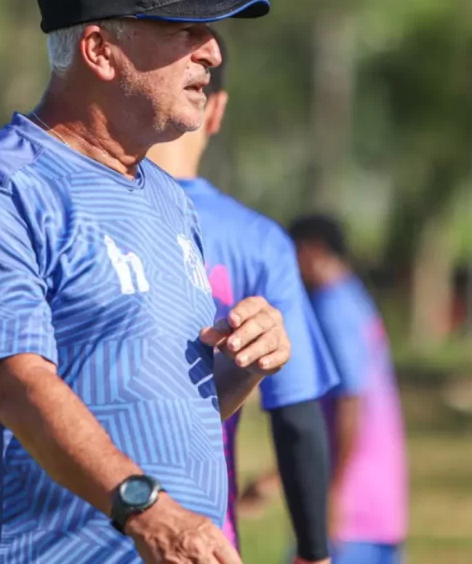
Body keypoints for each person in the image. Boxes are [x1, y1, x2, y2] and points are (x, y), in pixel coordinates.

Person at [0, 0, 289, 564]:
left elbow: (164, 405)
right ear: (99, 49)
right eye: (183, 31)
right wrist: (149, 513)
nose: (210, 52)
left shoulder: (167, 197)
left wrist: (244, 365)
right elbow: (18, 389)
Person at [147, 30, 339, 564]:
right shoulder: (258, 241)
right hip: (206, 540)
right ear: (217, 108)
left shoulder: (84, 208)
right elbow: (297, 414)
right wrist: (314, 551)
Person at [289, 214, 408, 564]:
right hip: (380, 501)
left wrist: (332, 492)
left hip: (350, 510)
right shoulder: (355, 297)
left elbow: (350, 404)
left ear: (313, 250)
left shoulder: (332, 307)